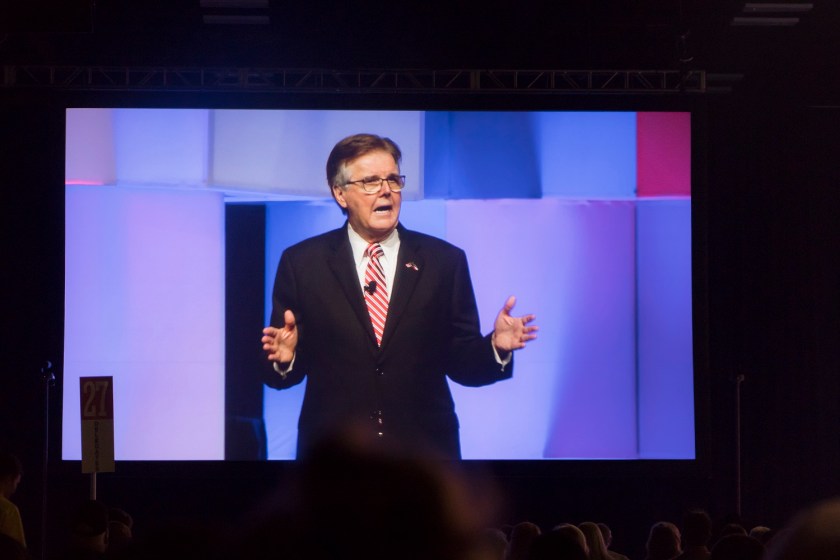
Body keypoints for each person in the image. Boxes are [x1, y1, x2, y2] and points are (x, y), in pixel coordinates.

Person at [261, 133, 537, 460]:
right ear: (340, 193)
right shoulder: (303, 263)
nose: (386, 191)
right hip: (336, 461)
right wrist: (285, 359)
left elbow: (462, 362)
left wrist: (496, 347)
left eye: (393, 179)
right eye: (370, 182)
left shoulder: (443, 261)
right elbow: (284, 374)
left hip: (425, 462)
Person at [0, 452, 26, 550]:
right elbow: (16, 552)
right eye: (16, 483)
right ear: (8, 479)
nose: (15, 489)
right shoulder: (8, 511)